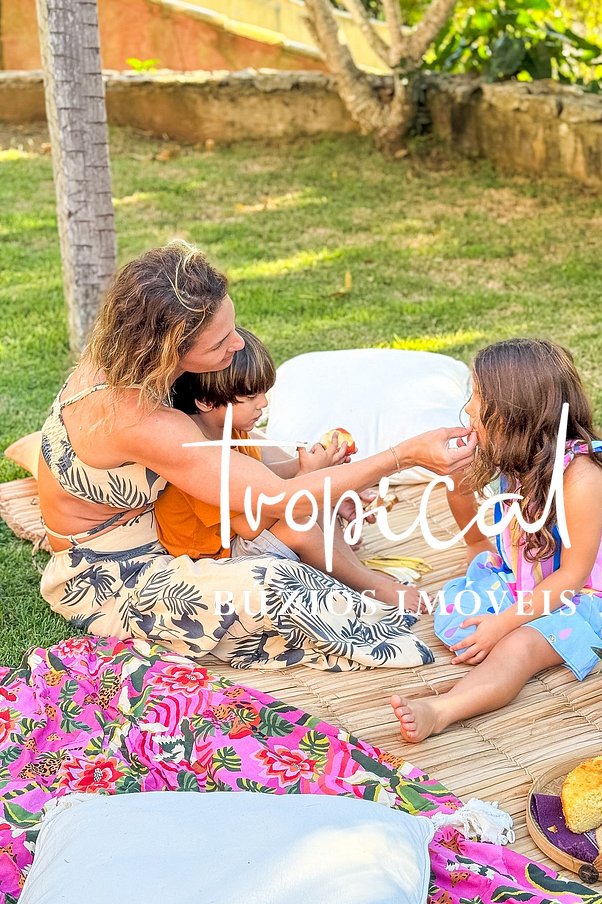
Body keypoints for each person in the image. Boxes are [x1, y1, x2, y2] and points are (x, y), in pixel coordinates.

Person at [37, 241, 476, 670]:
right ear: (170, 348)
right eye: (219, 343)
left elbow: (258, 472)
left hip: (174, 525)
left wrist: (317, 477)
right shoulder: (141, 418)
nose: (237, 347)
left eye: (232, 328)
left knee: (311, 502)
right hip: (117, 578)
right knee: (279, 587)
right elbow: (277, 499)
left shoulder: (127, 361)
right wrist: (405, 455)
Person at [391, 338, 602, 741]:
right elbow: (460, 488)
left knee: (518, 648)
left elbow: (572, 577)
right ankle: (501, 610)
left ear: (514, 416)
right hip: (528, 577)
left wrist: (504, 625)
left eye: (478, 398)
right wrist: (476, 539)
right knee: (464, 617)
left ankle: (441, 710)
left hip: (587, 595)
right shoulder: (512, 452)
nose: (468, 409)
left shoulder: (580, 477)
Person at [155, 326, 419, 608]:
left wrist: (310, 467)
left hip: (238, 534)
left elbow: (261, 477)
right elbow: (248, 526)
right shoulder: (200, 453)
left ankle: (354, 573)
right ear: (206, 401)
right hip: (213, 557)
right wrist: (307, 475)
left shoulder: (228, 427)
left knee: (315, 495)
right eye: (251, 397)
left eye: (264, 393)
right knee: (300, 524)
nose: (263, 404)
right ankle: (369, 586)